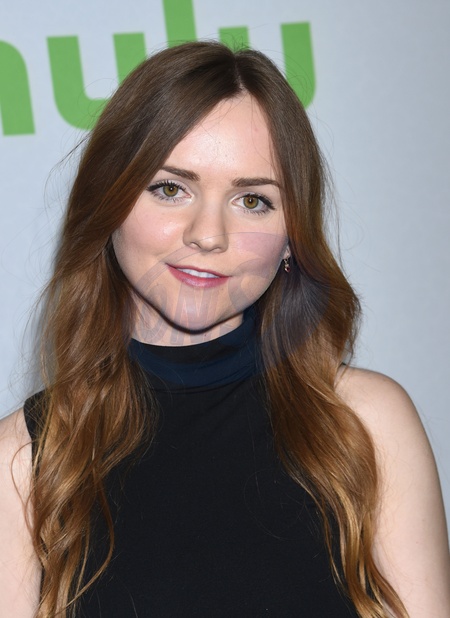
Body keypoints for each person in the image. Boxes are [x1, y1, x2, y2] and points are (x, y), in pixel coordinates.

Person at [0, 40, 449, 618]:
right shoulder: (24, 461)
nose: (208, 234)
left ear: (291, 238)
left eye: (252, 200)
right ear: (109, 205)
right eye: (170, 188)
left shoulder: (366, 423)